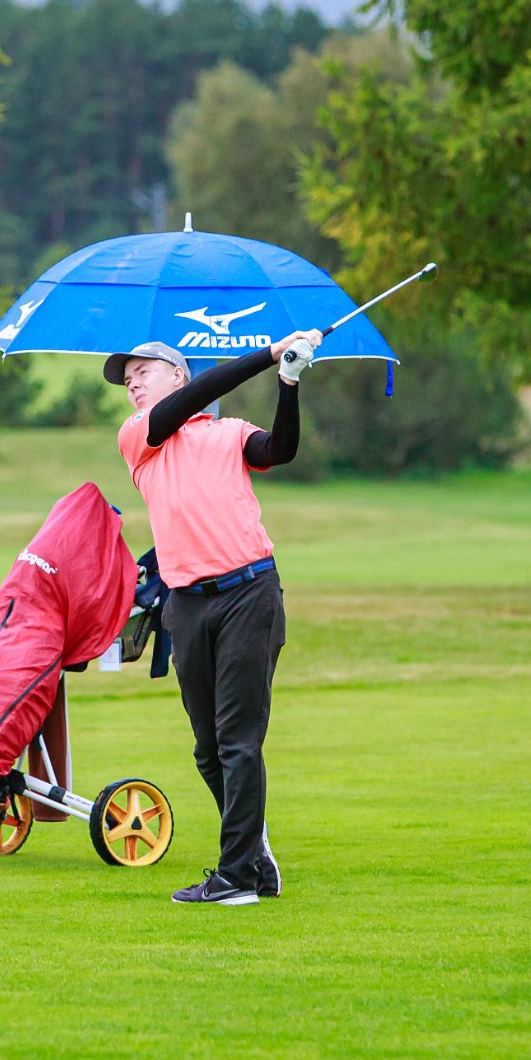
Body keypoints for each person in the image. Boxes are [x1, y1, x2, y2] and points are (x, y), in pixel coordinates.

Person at [106, 330, 321, 906]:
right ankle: (253, 856)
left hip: (249, 592)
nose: (131, 384)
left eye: (142, 372)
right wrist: (268, 353)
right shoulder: (139, 438)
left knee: (238, 742)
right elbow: (200, 393)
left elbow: (280, 450)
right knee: (209, 750)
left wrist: (289, 382)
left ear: (176, 374)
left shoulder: (229, 434)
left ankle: (234, 879)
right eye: (127, 380)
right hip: (186, 605)